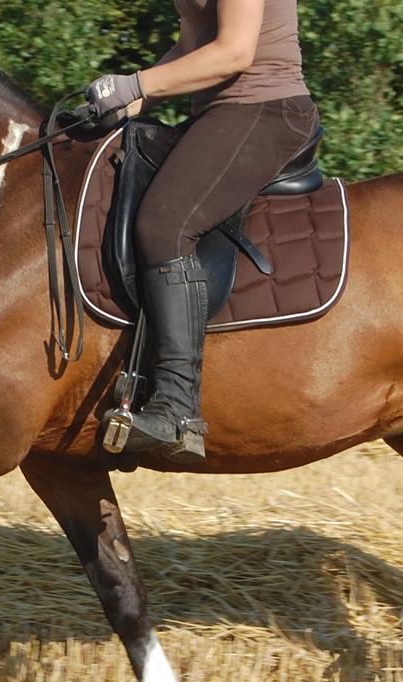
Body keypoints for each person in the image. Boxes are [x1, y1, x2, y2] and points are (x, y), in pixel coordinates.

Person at [85, 0, 318, 462]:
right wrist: (133, 99)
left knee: (165, 223)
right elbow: (193, 45)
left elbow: (233, 52)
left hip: (267, 108)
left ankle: (176, 409)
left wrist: (137, 83)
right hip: (218, 113)